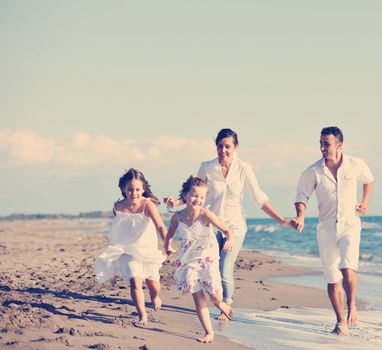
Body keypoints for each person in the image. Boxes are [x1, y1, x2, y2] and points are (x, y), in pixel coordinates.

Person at [165, 128, 292, 320]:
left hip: (234, 226)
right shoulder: (207, 167)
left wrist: (280, 220)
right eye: (219, 146)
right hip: (209, 225)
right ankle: (215, 300)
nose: (223, 150)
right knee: (210, 268)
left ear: (235, 147)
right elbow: (194, 192)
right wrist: (176, 202)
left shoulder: (244, 169)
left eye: (227, 146)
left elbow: (259, 199)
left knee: (225, 268)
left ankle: (227, 302)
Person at [292, 126, 374, 335]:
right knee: (332, 277)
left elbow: (369, 180)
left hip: (350, 225)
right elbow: (302, 196)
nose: (322, 148)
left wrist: (364, 202)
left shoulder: (356, 164)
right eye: (320, 143)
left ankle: (352, 305)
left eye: (326, 144)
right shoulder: (313, 171)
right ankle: (340, 322)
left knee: (347, 268)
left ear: (339, 145)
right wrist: (300, 215)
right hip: (326, 229)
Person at [164, 176, 235, 343]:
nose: (198, 200)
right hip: (188, 259)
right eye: (195, 195)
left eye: (202, 197)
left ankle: (222, 305)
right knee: (197, 297)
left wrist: (230, 239)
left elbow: (227, 230)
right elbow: (170, 234)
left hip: (207, 258)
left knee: (215, 298)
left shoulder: (206, 215)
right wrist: (167, 245)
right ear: (185, 195)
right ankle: (209, 332)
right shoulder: (177, 217)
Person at [95, 168, 168, 326]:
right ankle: (142, 315)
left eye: (137, 189)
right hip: (127, 250)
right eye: (130, 189)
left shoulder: (148, 206)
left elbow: (161, 226)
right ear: (123, 189)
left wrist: (167, 242)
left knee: (152, 283)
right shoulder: (117, 207)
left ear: (143, 189)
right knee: (135, 281)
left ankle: (155, 297)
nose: (133, 193)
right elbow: (120, 227)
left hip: (146, 250)